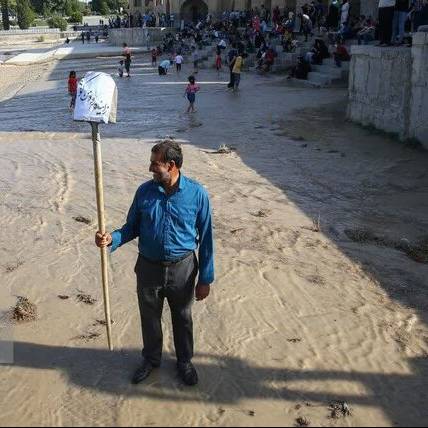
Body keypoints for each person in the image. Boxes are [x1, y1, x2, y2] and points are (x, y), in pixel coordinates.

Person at [95, 140, 214, 386]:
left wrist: (205, 279)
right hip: (148, 267)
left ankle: (184, 361)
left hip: (183, 268)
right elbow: (131, 228)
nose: (150, 168)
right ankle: (151, 360)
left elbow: (207, 239)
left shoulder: (197, 194)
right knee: (149, 317)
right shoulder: (144, 192)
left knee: (182, 317)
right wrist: (111, 239)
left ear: (171, 165)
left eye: (154, 164)